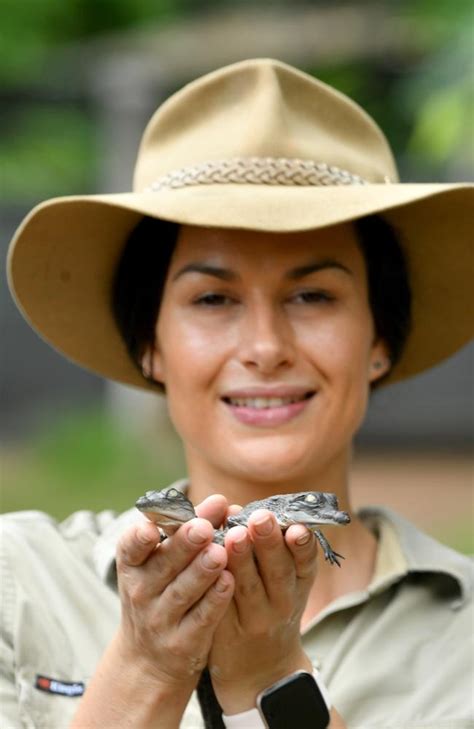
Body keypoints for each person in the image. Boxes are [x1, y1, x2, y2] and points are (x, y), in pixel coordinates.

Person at [3, 58, 473, 728]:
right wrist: (146, 667)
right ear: (150, 343)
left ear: (380, 336)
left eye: (313, 295)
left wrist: (271, 680)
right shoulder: (22, 581)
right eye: (213, 297)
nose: (264, 344)